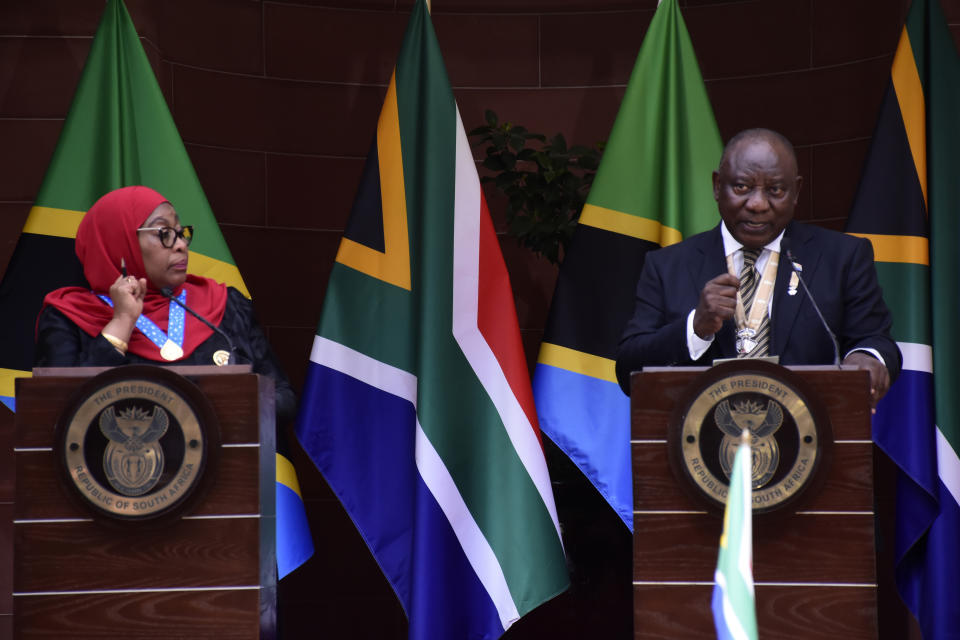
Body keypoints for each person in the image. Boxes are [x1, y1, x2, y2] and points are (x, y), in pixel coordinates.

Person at [615, 128, 901, 407]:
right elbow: (629, 371)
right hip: (698, 446)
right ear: (717, 186)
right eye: (742, 187)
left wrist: (868, 357)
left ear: (796, 191)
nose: (757, 204)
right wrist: (695, 327)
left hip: (810, 439)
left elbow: (875, 340)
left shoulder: (843, 257)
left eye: (775, 190)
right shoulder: (668, 266)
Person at [35, 185, 296, 422]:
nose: (181, 245)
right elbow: (58, 414)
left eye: (181, 234)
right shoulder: (69, 317)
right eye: (165, 234)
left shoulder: (224, 304)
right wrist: (122, 322)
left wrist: (236, 404)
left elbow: (283, 396)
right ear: (120, 242)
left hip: (227, 469)